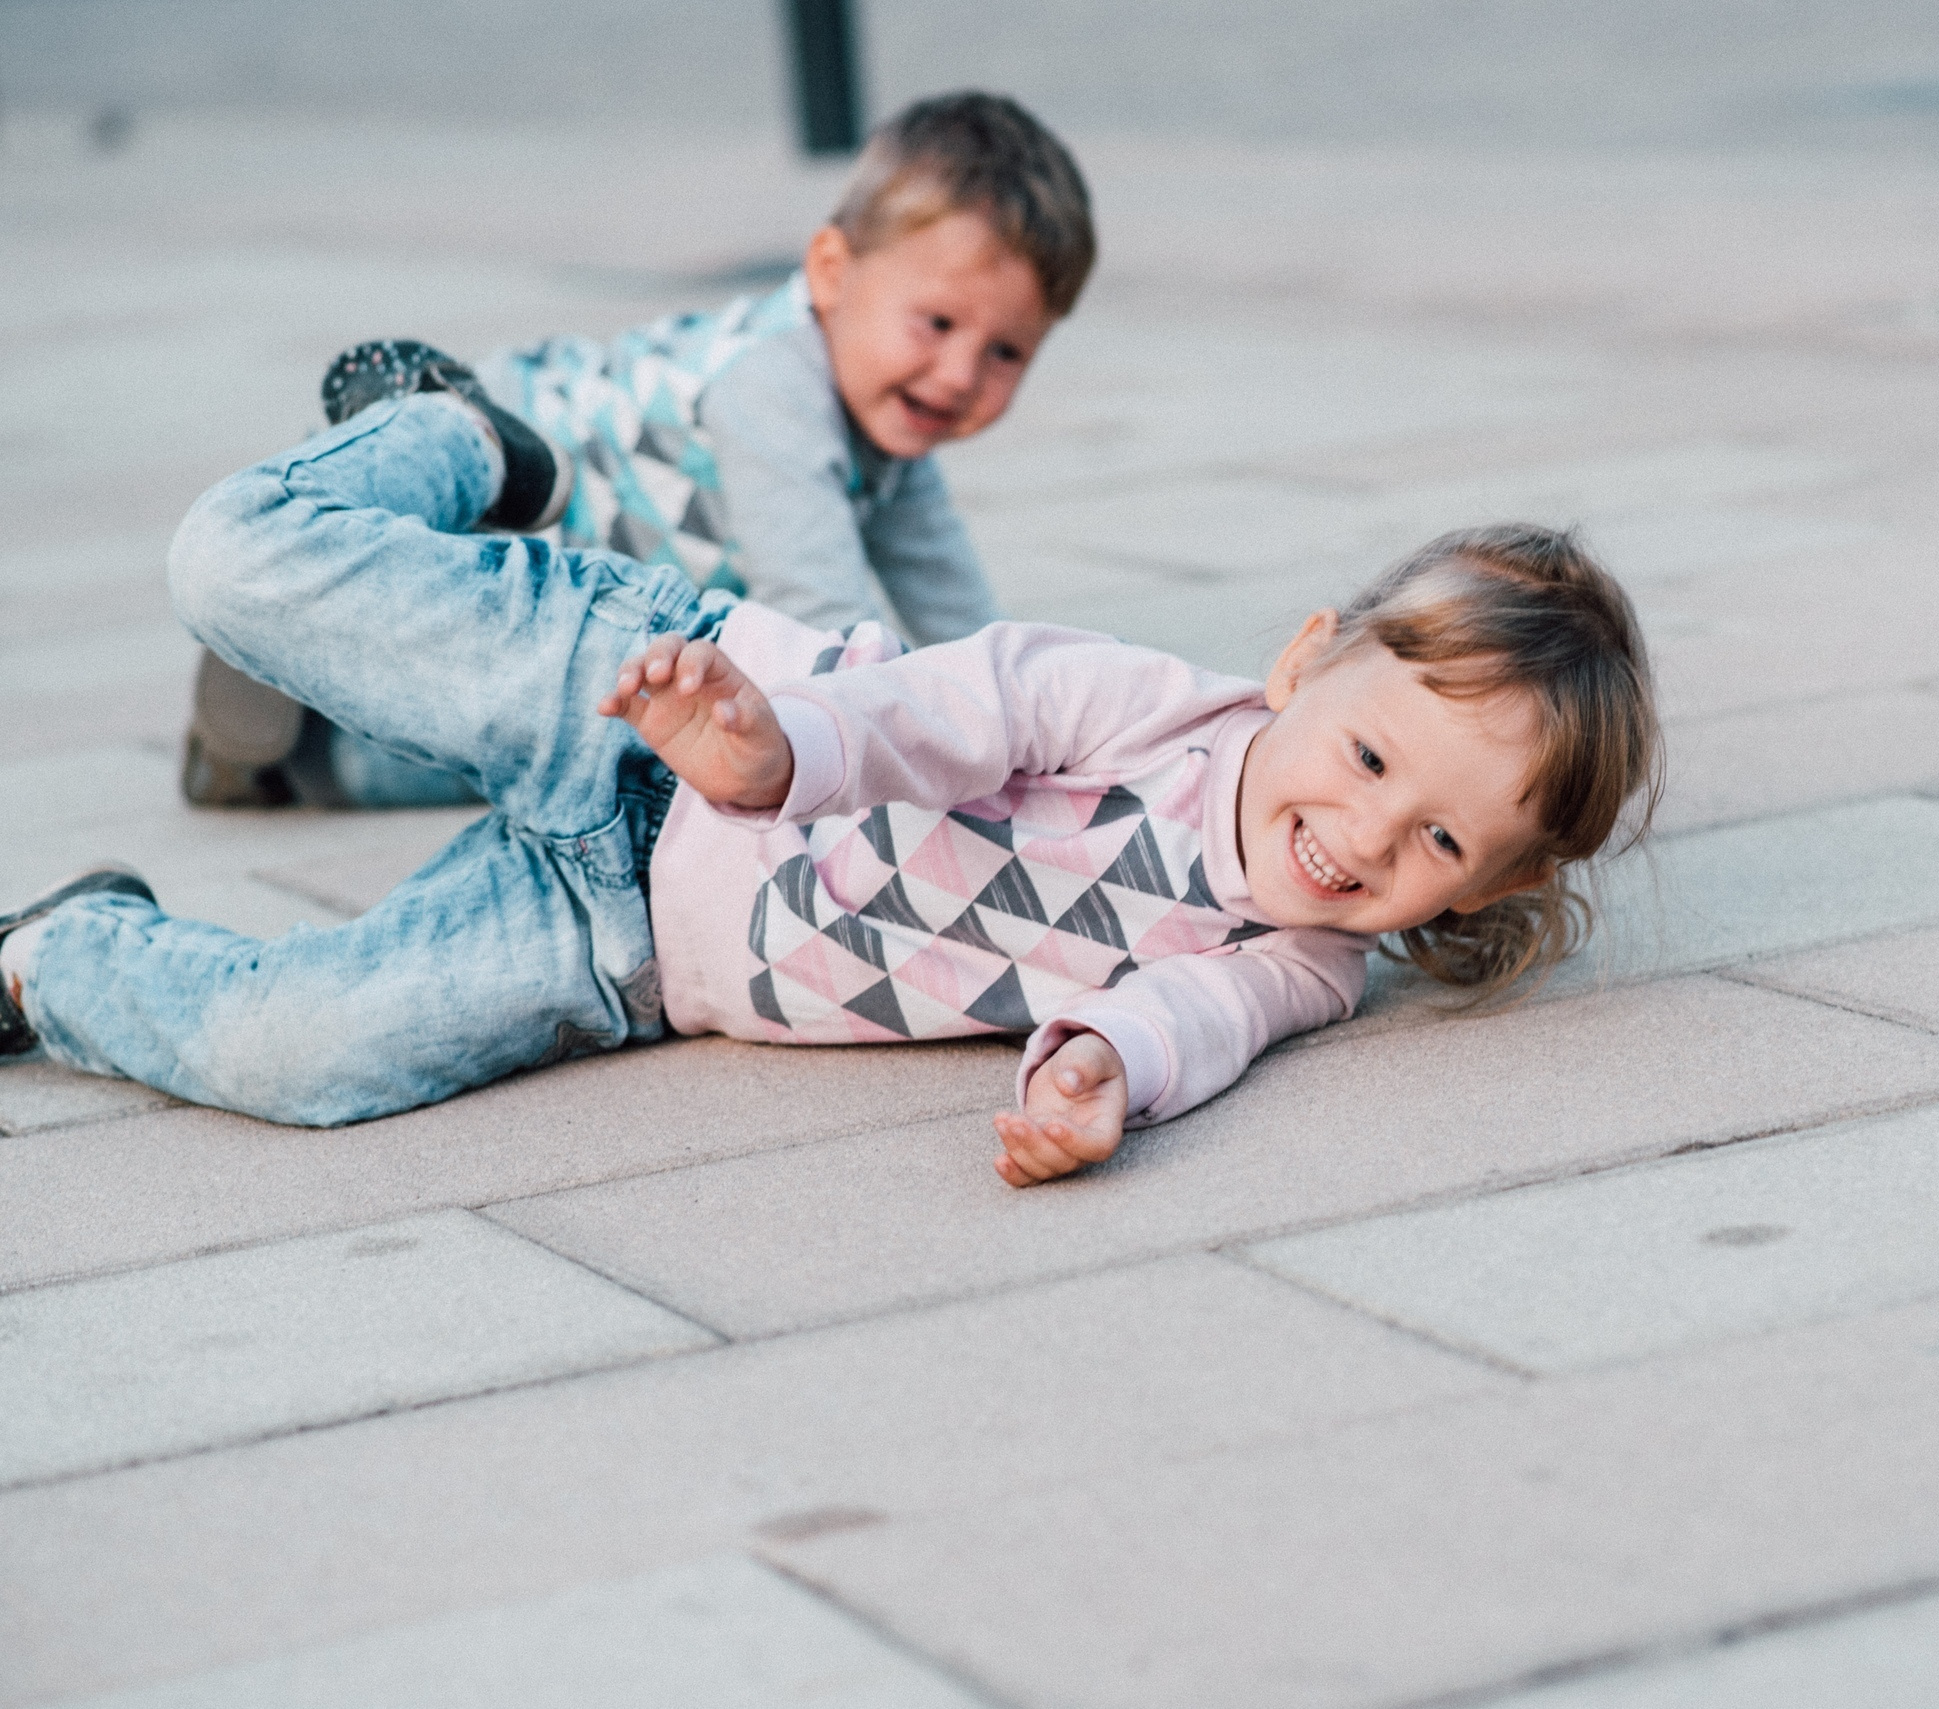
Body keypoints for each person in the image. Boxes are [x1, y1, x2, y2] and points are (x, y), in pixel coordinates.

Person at [3, 388, 1658, 1184]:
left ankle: (52, 955)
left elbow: (1194, 1025)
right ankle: (450, 445)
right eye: (1372, 754)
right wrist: (772, 750)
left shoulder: (1296, 960)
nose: (1366, 832)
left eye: (1440, 833)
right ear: (1307, 659)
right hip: (668, 701)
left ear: (1492, 885)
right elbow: (953, 707)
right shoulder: (1159, 712)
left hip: (622, 946)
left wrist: (1098, 1069)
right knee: (233, 564)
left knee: (299, 1053)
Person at [180, 89, 1094, 811]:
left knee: (626, 727)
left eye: (1006, 350)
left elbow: (961, 628)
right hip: (499, 519)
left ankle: (287, 692)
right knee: (580, 753)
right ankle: (301, 748)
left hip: (560, 574)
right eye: (936, 322)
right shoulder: (774, 387)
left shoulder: (896, 433)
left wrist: (1036, 722)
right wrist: (917, 761)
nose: (961, 372)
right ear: (831, 272)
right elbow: (824, 631)